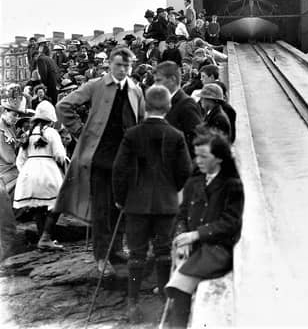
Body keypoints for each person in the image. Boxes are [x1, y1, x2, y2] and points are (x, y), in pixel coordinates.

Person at [55, 47, 145, 275]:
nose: (123, 70)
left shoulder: (136, 90)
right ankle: (102, 256)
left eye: (127, 66)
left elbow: (141, 121)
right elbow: (63, 105)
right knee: (102, 208)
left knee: (121, 204)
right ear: (110, 66)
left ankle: (116, 249)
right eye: (118, 65)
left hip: (125, 159)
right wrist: (80, 131)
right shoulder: (96, 85)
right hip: (100, 158)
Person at [112, 85, 192, 323]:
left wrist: (120, 197)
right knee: (164, 252)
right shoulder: (176, 136)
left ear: (145, 106)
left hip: (136, 204)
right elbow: (185, 170)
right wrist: (172, 190)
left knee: (136, 255)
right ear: (168, 107)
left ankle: (133, 304)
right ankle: (164, 304)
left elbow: (120, 170)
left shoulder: (132, 135)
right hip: (166, 205)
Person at [165, 129, 244, 328]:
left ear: (218, 158)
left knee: (179, 286)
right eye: (196, 155)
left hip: (217, 249)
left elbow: (230, 223)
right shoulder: (194, 183)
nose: (198, 160)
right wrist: (182, 238)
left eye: (203, 156)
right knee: (177, 286)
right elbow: (182, 215)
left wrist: (196, 235)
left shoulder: (231, 186)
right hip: (195, 247)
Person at [13, 101, 66, 251]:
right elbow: (60, 155)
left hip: (29, 172)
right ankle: (46, 237)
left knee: (38, 205)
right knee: (57, 203)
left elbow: (20, 160)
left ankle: (43, 239)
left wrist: (27, 172)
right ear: (50, 118)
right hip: (47, 172)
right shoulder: (51, 133)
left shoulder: (28, 134)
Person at [154, 61, 203, 156]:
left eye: (158, 80)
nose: (155, 85)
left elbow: (196, 141)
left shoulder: (187, 105)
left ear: (172, 79)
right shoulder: (165, 102)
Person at [0, 99, 27, 261]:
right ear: (4, 110)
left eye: (17, 115)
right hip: (4, 173)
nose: (15, 118)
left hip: (11, 171)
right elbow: (9, 158)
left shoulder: (10, 127)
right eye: (13, 114)